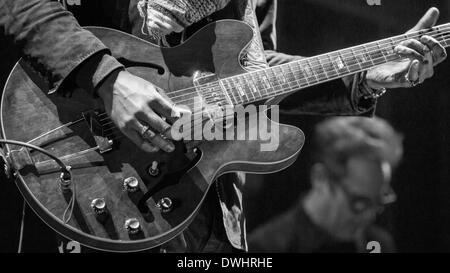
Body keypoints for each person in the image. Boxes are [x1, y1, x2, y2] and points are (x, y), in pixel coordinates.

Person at [0, 0, 446, 253]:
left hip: (202, 206)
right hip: (91, 165)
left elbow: (252, 80)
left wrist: (362, 76)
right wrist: (108, 79)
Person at [248, 116, 403, 253]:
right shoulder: (264, 248)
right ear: (320, 178)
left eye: (380, 202)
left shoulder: (379, 244)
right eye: (359, 203)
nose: (370, 216)